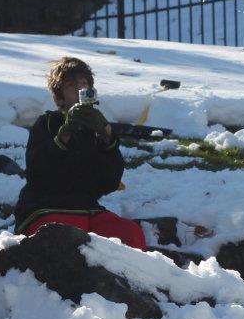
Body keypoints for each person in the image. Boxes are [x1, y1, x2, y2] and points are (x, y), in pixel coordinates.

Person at [12, 56, 146, 249]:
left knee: (129, 233)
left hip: (87, 209)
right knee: (64, 236)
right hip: (46, 208)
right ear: (59, 96)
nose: (80, 90)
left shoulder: (96, 127)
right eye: (71, 85)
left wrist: (108, 140)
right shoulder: (47, 124)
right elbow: (37, 174)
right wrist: (64, 136)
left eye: (84, 84)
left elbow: (109, 182)